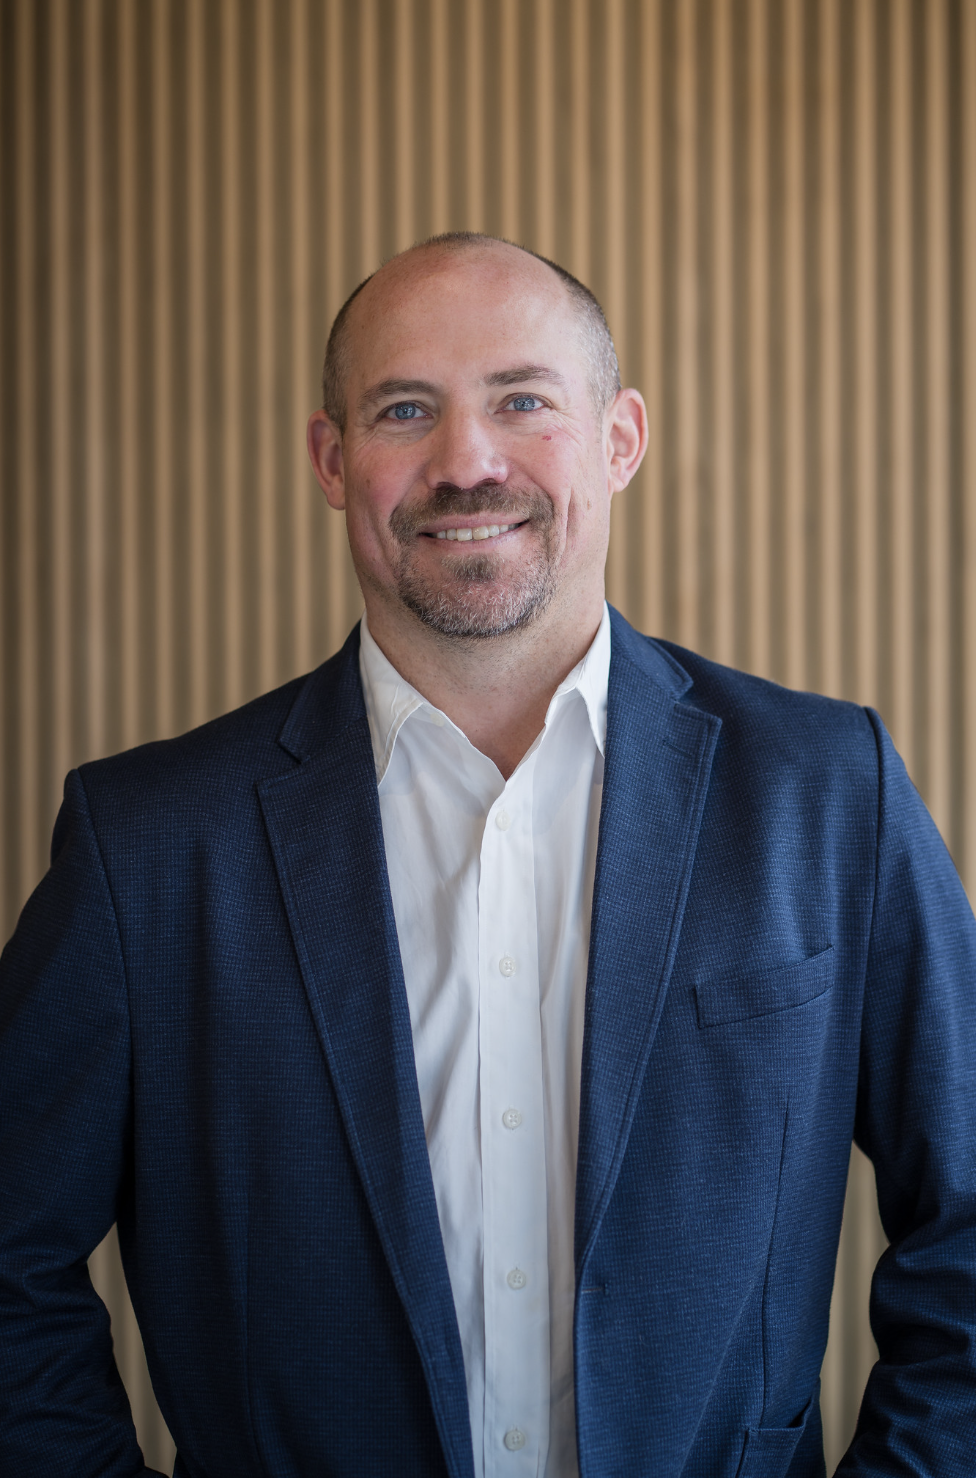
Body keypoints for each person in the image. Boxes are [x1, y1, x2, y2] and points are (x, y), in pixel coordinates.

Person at [1, 233, 975, 1478]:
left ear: (620, 438)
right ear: (331, 460)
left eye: (522, 400)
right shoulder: (146, 844)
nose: (466, 461)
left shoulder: (829, 790)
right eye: (406, 408)